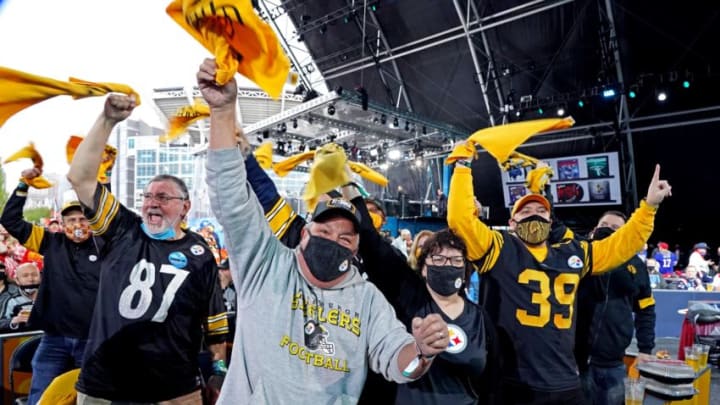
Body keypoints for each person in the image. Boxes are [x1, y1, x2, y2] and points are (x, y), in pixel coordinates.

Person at [198, 58, 449, 404]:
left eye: (346, 238)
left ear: (357, 250)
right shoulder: (265, 266)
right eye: (325, 231)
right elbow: (231, 197)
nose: (334, 241)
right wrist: (223, 112)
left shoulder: (367, 300)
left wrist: (421, 354)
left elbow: (399, 366)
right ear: (304, 233)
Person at [447, 150, 671, 404]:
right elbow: (460, 220)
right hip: (510, 380)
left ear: (550, 220)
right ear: (512, 221)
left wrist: (649, 206)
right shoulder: (498, 248)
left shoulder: (573, 253)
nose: (533, 214)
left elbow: (621, 245)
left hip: (564, 379)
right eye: (525, 210)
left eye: (540, 210)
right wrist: (463, 168)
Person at [67, 94, 228, 404]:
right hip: (106, 384)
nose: (153, 202)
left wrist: (218, 369)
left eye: (164, 197)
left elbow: (215, 321)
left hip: (175, 388)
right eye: (148, 196)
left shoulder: (200, 252)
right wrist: (107, 120)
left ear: (185, 207)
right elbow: (80, 177)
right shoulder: (121, 229)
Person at [350, 180, 500, 404]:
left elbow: (493, 382)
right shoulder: (407, 293)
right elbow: (372, 243)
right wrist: (348, 187)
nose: (446, 264)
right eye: (437, 258)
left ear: (465, 268)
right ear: (423, 266)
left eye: (455, 260)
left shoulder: (480, 319)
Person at [0, 174, 104, 405]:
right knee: (40, 396)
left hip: (91, 340)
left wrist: (102, 182)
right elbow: (11, 220)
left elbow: (115, 221)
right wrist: (23, 185)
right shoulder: (49, 242)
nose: (77, 225)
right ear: (62, 223)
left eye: (82, 219)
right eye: (71, 220)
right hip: (54, 339)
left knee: (88, 399)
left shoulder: (105, 245)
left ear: (92, 222)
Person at [574, 211, 656, 405]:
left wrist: (645, 348)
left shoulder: (635, 265)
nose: (607, 229)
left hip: (612, 363)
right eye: (604, 224)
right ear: (594, 228)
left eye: (614, 228)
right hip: (574, 361)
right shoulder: (576, 257)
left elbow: (646, 309)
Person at [0, 262, 41, 332]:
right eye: (25, 276)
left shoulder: (51, 297)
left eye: (34, 275)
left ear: (41, 277)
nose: (31, 279)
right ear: (17, 280)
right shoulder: (11, 299)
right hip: (22, 340)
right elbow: (1, 322)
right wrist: (14, 321)